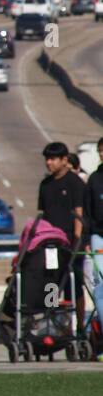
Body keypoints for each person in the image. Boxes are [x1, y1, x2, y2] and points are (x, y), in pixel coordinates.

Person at [38, 141, 88, 329]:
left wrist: (77, 240)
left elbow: (79, 212)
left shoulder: (75, 183)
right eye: (47, 159)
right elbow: (43, 214)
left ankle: (80, 325)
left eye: (53, 159)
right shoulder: (45, 184)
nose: (49, 163)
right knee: (51, 283)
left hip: (71, 243)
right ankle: (53, 323)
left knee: (74, 286)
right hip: (51, 244)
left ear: (64, 160)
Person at [87, 138, 103, 325]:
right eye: (99, 151)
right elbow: (88, 210)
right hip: (98, 236)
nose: (101, 154)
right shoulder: (94, 179)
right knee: (99, 285)